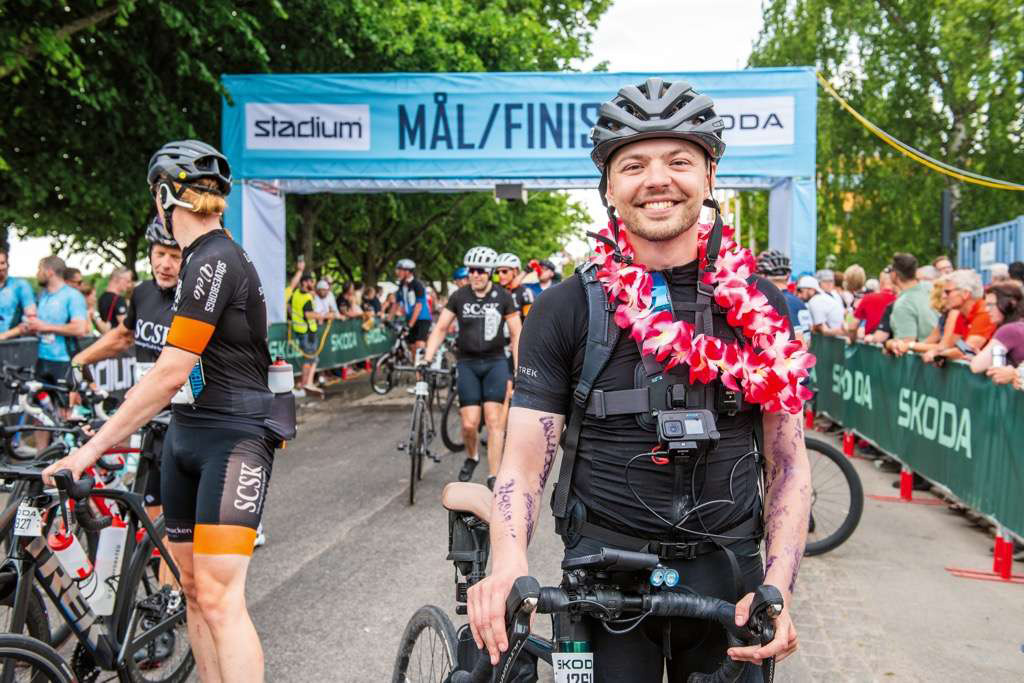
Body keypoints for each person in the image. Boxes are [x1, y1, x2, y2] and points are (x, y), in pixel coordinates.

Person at [468, 78, 808, 681]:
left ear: (709, 178)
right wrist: (508, 562)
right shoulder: (566, 307)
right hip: (600, 577)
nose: (657, 179)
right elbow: (522, 465)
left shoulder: (761, 306)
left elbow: (788, 465)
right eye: (633, 164)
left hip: (729, 575)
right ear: (609, 188)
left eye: (679, 160)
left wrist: (777, 587)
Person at [45, 139, 281, 683]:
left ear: (164, 196)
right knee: (192, 591)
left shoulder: (215, 259)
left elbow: (170, 370)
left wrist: (88, 450)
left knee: (221, 599)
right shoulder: (197, 259)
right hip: (186, 434)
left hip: (234, 439)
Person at [71, 215, 183, 584]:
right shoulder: (144, 294)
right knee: (150, 510)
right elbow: (124, 336)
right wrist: (81, 360)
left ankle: (165, 609)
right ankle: (157, 584)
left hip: (182, 420)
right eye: (159, 253)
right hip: (146, 418)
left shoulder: (195, 301)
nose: (165, 263)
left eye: (175, 255)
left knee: (172, 521)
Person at [423, 246, 521, 488]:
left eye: (481, 271)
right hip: (467, 363)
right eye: (472, 270)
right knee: (469, 424)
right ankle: (472, 456)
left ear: (489, 273)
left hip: (495, 363)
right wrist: (427, 358)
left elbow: (518, 333)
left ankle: (494, 476)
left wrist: (519, 370)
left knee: (494, 421)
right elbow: (441, 328)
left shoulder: (503, 297)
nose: (475, 275)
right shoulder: (460, 296)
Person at [24, 255, 88, 448]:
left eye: (39, 269)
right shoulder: (42, 296)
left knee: (65, 413)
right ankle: (41, 458)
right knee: (39, 413)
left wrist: (45, 326)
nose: (37, 274)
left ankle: (67, 458)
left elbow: (80, 329)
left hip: (64, 362)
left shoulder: (72, 295)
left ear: (49, 271)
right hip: (43, 361)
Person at [921, 269, 994, 364]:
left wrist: (940, 354)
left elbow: (968, 349)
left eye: (947, 292)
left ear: (965, 294)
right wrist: (938, 352)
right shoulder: (961, 314)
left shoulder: (984, 312)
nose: (943, 296)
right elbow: (951, 345)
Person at [885, 253, 939, 355]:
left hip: (922, 363)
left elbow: (905, 344)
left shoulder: (903, 305)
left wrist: (888, 344)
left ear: (894, 274)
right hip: (939, 354)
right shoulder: (931, 287)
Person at [969, 283, 1024, 383]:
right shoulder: (1018, 326)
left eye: (990, 305)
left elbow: (976, 366)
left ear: (1010, 304)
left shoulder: (1009, 330)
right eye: (986, 305)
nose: (987, 310)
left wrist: (975, 358)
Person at [757, 249, 810, 344]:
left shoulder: (778, 301)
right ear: (788, 275)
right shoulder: (798, 301)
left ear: (762, 275)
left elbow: (799, 342)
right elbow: (807, 339)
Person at [287, 271, 321, 396]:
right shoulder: (306, 297)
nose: (312, 283)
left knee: (310, 359)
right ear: (305, 282)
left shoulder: (296, 293)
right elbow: (308, 314)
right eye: (311, 281)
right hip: (308, 331)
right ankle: (306, 384)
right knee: (311, 359)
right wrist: (324, 315)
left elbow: (289, 307)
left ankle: (306, 383)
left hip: (301, 330)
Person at [394, 258, 432, 353]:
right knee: (412, 346)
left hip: (422, 318)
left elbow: (418, 307)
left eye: (400, 270)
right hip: (410, 318)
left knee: (419, 344)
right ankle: (416, 366)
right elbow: (396, 304)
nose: (397, 272)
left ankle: (425, 363)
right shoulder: (401, 285)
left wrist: (410, 325)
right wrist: (388, 318)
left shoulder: (417, 285)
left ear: (408, 272)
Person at [849, 267, 896, 338]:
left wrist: (853, 339)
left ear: (880, 282)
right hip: (896, 345)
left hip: (870, 344)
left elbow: (852, 325)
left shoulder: (867, 298)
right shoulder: (901, 299)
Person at [0, 246, 36, 336]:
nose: (0, 267)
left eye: (2, 263)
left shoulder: (20, 286)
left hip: (12, 343)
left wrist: (5, 336)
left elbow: (31, 320)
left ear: (8, 264)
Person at [97, 266, 132, 333]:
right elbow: (126, 327)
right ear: (117, 279)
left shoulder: (102, 297)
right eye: (128, 281)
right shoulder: (119, 300)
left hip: (106, 337)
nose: (129, 285)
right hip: (117, 339)